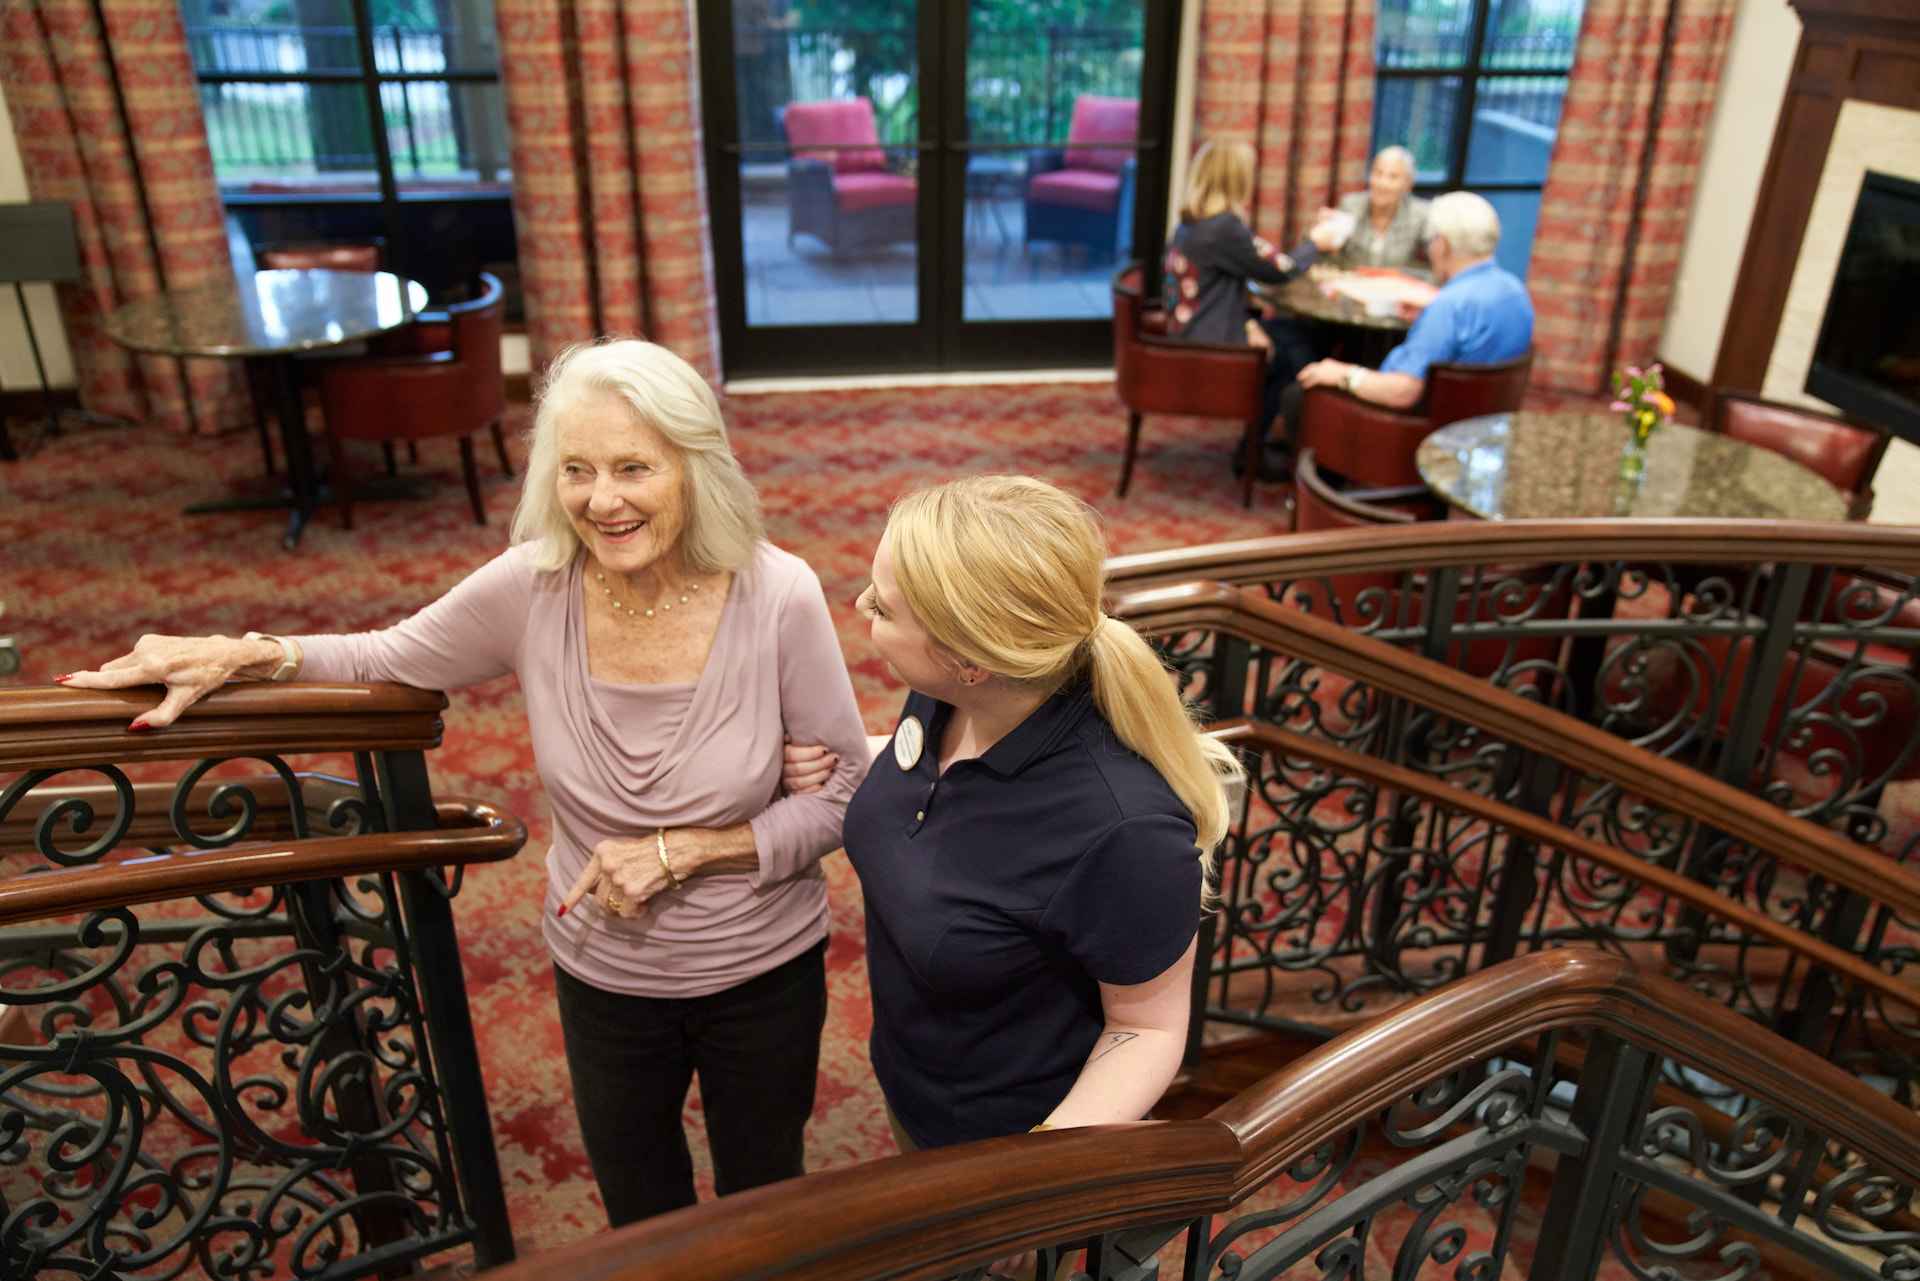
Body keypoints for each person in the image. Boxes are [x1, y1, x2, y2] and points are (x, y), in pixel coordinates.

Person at [55, 338, 872, 1228]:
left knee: (765, 1198)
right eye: (576, 469)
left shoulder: (777, 592)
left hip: (759, 968)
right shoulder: (533, 587)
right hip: (602, 964)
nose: (603, 499)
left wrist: (690, 851)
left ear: (696, 467)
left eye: (635, 466)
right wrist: (242, 653)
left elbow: (844, 792)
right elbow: (382, 656)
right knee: (640, 1208)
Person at [824, 475, 1240, 1169]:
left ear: (971, 662)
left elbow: (1145, 1028)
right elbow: (938, 785)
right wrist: (845, 758)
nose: (860, 603)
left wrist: (1035, 1173)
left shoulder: (1124, 830)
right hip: (915, 1083)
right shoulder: (948, 697)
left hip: (1006, 1143)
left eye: (883, 606)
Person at [1281, 189, 1535, 449]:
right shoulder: (1515, 290)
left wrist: (1344, 374)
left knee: (1298, 396)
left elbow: (1402, 392)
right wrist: (1429, 315)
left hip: (1415, 430)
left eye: (1432, 239)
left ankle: (1324, 481)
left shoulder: (1448, 307)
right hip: (1477, 423)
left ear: (1443, 243)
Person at [1161, 139, 1340, 481]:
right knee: (1299, 347)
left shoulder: (1191, 221)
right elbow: (1281, 268)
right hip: (1208, 342)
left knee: (1291, 335)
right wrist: (1316, 242)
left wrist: (1246, 323)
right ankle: (1288, 446)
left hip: (1193, 329)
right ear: (1236, 180)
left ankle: (1267, 439)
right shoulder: (1223, 227)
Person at [1324, 146, 1431, 271]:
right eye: (1378, 173)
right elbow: (1327, 256)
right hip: (1354, 283)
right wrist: (1326, 234)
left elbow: (1436, 264)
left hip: (1395, 286)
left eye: (1393, 177)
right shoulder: (1351, 205)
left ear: (1408, 185)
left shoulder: (1419, 214)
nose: (1382, 183)